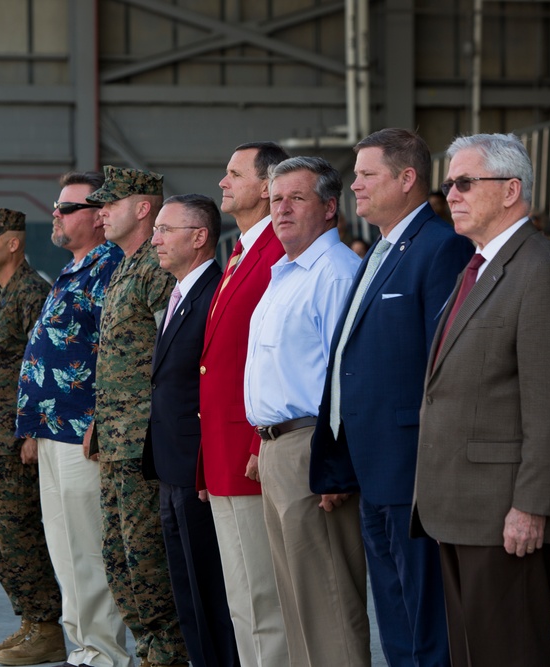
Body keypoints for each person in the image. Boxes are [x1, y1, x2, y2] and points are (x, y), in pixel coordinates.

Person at [413, 133, 550, 666]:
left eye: (465, 182)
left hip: (504, 512)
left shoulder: (542, 269)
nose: (452, 194)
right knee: (471, 653)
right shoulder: (480, 266)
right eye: (449, 184)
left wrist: (531, 506)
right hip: (461, 507)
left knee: (509, 652)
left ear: (511, 190)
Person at [310, 128, 474, 667]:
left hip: (411, 465)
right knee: (395, 613)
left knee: (425, 616)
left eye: (366, 174)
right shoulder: (380, 250)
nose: (353, 185)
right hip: (371, 462)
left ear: (407, 179)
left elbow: (441, 365)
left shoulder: (440, 246)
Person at [245, 156, 369, 666]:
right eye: (275, 199)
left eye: (297, 198)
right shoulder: (286, 273)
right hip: (278, 447)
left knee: (328, 598)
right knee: (296, 598)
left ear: (329, 207)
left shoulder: (336, 273)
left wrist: (337, 462)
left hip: (313, 447)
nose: (282, 209)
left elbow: (348, 378)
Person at [15, 171, 133, 667]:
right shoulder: (73, 269)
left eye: (68, 208)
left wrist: (100, 418)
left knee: (87, 547)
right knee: (64, 548)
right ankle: (83, 648)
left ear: (99, 216)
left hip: (82, 431)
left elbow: (115, 352)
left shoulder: (109, 268)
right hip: (51, 429)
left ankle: (104, 653)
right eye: (58, 207)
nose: (56, 215)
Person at [86, 166, 189, 667]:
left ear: (143, 207)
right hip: (115, 438)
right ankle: (148, 648)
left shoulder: (155, 269)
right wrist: (98, 422)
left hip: (144, 443)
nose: (100, 213)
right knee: (119, 556)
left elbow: (169, 356)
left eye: (110, 203)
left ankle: (167, 653)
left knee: (147, 557)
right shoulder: (124, 265)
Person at [197, 141, 290, 667]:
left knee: (262, 594)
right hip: (223, 448)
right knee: (241, 594)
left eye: (234, 173)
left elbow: (277, 358)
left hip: (247, 449)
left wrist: (258, 440)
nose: (223, 183)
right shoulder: (242, 251)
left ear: (265, 185)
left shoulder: (276, 250)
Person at [0, 205, 65, 665]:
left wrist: (31, 432)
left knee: (20, 530)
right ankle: (28, 619)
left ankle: (46, 626)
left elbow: (40, 367)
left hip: (14, 439)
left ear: (13, 242)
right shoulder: (2, 294)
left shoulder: (32, 293)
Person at [144, 194, 235, 667]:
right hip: (170, 462)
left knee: (209, 587)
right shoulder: (179, 294)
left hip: (197, 466)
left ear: (199, 237)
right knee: (185, 585)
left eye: (165, 229)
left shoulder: (213, 295)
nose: (155, 239)